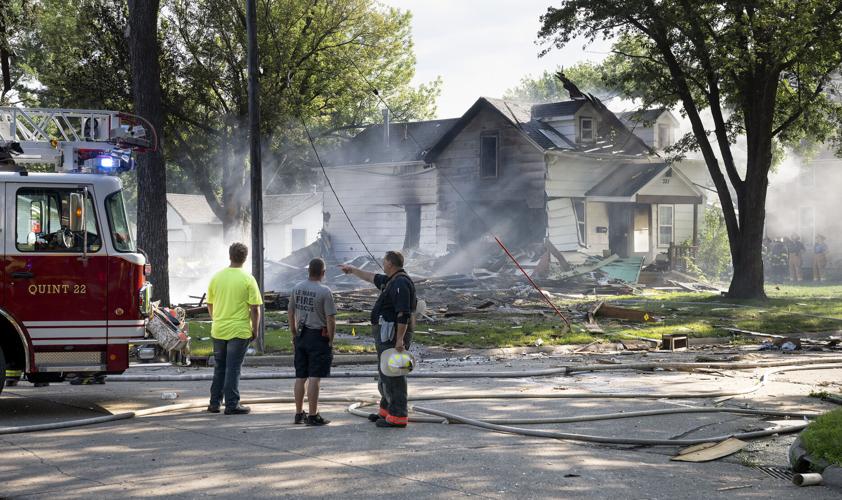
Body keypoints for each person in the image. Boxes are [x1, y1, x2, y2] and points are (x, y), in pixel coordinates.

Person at [340, 251, 416, 428]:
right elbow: (371, 277)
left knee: (395, 374)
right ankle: (386, 410)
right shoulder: (391, 280)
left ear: (390, 263)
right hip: (386, 335)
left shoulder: (401, 282)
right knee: (385, 373)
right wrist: (352, 270)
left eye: (384, 261)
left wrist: (399, 339)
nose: (382, 263)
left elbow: (403, 314)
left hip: (393, 336)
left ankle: (398, 416)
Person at [206, 242, 263, 415]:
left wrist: (216, 319)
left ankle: (214, 403)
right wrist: (256, 329)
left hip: (219, 329)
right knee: (233, 368)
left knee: (220, 367)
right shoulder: (248, 279)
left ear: (229, 256)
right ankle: (232, 404)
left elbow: (210, 303)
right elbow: (255, 308)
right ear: (245, 258)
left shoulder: (217, 277)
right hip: (239, 330)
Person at [289, 258, 336, 426]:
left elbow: (290, 312)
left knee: (301, 376)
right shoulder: (325, 291)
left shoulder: (297, 288)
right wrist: (331, 339)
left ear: (308, 271)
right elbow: (330, 319)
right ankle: (313, 415)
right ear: (323, 273)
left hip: (301, 334)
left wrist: (294, 333)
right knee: (315, 377)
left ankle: (298, 413)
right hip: (318, 336)